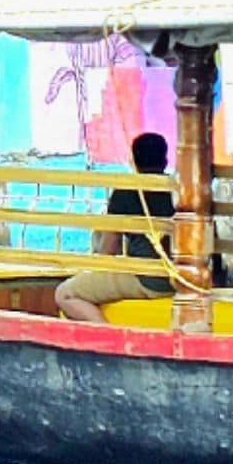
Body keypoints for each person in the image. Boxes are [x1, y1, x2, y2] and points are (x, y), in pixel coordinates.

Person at [56, 132, 174, 323]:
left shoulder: (125, 192)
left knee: (65, 294)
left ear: (134, 161)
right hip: (184, 280)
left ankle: (108, 336)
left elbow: (108, 252)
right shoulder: (180, 190)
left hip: (149, 281)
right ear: (165, 160)